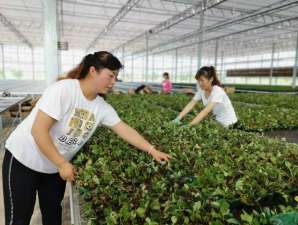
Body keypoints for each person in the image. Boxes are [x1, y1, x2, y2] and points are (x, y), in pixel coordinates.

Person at [2, 51, 171, 225]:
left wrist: (152, 149)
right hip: (24, 159)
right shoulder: (65, 89)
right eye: (110, 75)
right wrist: (61, 163)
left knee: (52, 216)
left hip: (53, 168)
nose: (114, 82)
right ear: (93, 71)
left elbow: (124, 129)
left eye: (116, 77)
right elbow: (39, 131)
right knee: (19, 219)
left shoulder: (100, 107)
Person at [172, 66, 238, 128]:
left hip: (230, 123)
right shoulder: (202, 90)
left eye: (202, 80)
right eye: (198, 81)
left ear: (211, 79)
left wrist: (190, 125)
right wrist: (178, 118)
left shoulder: (217, 91)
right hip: (218, 121)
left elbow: (206, 111)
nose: (200, 83)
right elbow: (191, 104)